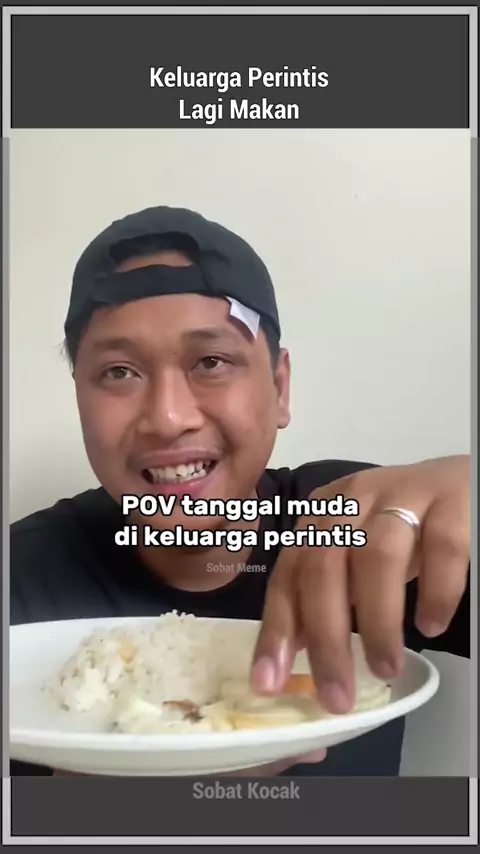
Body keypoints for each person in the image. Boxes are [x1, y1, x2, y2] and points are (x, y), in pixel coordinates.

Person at [10, 206, 470, 777]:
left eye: (211, 361)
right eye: (119, 372)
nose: (168, 418)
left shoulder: (361, 525)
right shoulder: (21, 575)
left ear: (279, 388)